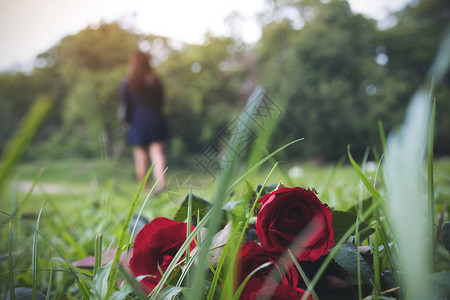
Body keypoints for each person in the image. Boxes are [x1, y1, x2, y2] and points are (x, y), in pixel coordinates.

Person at [119, 51, 169, 193]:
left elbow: (125, 106)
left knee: (140, 156)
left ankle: (146, 190)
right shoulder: (154, 80)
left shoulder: (127, 82)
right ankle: (161, 186)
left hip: (136, 121)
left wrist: (127, 122)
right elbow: (161, 101)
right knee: (157, 153)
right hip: (155, 119)